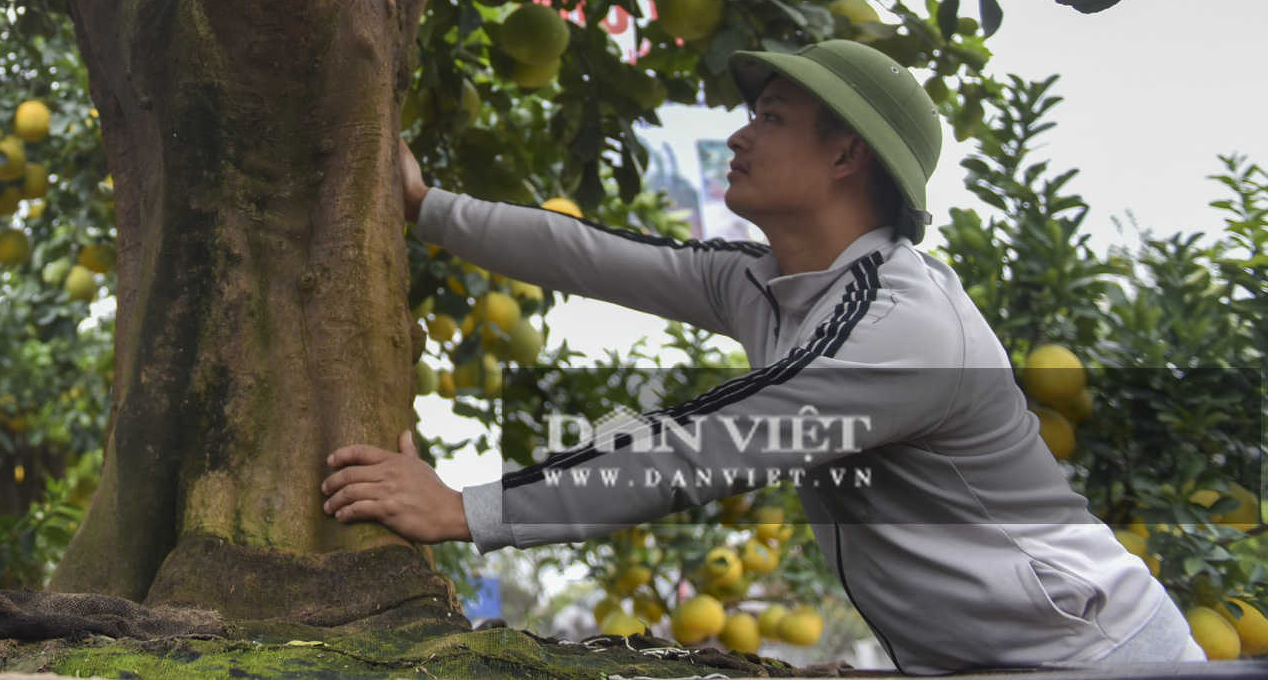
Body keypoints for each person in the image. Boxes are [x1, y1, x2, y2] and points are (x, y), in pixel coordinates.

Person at [319, 40, 1201, 672]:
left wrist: (465, 507)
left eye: (771, 118)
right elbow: (594, 255)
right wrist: (426, 205)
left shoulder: (906, 328)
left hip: (1096, 652)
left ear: (847, 153)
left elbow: (696, 448)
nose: (740, 136)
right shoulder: (771, 280)